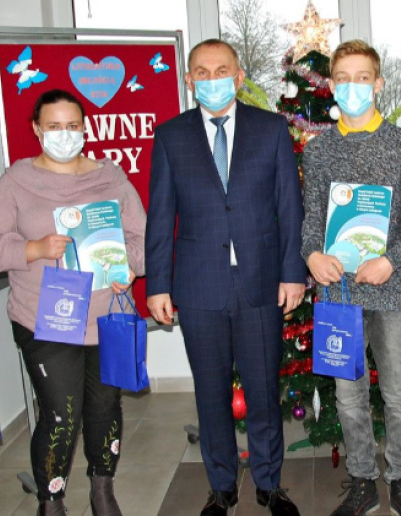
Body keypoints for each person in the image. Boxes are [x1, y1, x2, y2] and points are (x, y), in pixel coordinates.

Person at [145, 39, 307, 516]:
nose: (212, 79)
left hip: (261, 282)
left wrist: (292, 273)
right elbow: (161, 216)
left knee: (263, 391)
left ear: (238, 77)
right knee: (210, 393)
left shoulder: (271, 129)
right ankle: (221, 487)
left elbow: (289, 207)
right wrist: (157, 284)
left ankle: (269, 484)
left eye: (222, 70)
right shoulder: (171, 136)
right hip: (198, 286)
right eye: (202, 71)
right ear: (188, 80)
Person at [0, 89, 145, 516]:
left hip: (105, 316)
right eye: (53, 126)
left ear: (85, 128)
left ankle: (102, 490)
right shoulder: (14, 184)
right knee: (60, 413)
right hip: (44, 318)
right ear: (37, 129)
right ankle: (51, 500)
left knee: (105, 406)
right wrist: (33, 249)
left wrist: (129, 267)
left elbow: (143, 240)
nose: (64, 135)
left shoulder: (112, 180)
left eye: (72, 126)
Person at [302, 39, 401, 516]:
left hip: (392, 290)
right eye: (343, 78)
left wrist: (391, 259)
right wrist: (311, 255)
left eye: (362, 78)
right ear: (331, 85)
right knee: (349, 397)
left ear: (378, 84)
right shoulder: (319, 150)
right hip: (339, 294)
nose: (352, 87)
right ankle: (362, 481)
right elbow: (311, 220)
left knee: (398, 395)